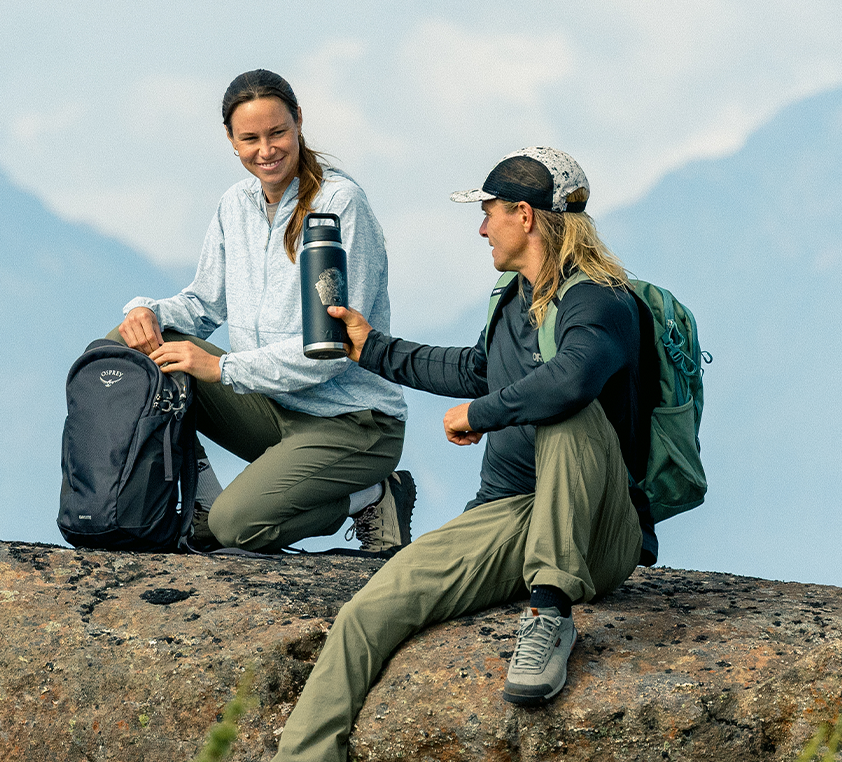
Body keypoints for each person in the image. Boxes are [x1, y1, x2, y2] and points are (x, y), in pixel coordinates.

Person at [273, 147, 649, 762]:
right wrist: (372, 350)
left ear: (524, 215)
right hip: (507, 515)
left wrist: (484, 415)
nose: (481, 228)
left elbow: (574, 378)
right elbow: (476, 370)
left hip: (595, 527)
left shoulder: (600, 302)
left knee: (567, 411)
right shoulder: (514, 299)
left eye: (489, 212)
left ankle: (550, 613)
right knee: (367, 613)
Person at [113, 69, 412, 554]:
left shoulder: (339, 206)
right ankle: (202, 500)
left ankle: (371, 495)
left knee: (235, 529)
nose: (266, 150)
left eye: (277, 133)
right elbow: (204, 304)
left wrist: (222, 368)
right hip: (273, 408)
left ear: (298, 121)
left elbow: (333, 349)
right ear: (231, 141)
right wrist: (142, 309)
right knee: (124, 345)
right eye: (250, 138)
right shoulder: (235, 204)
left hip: (352, 422)